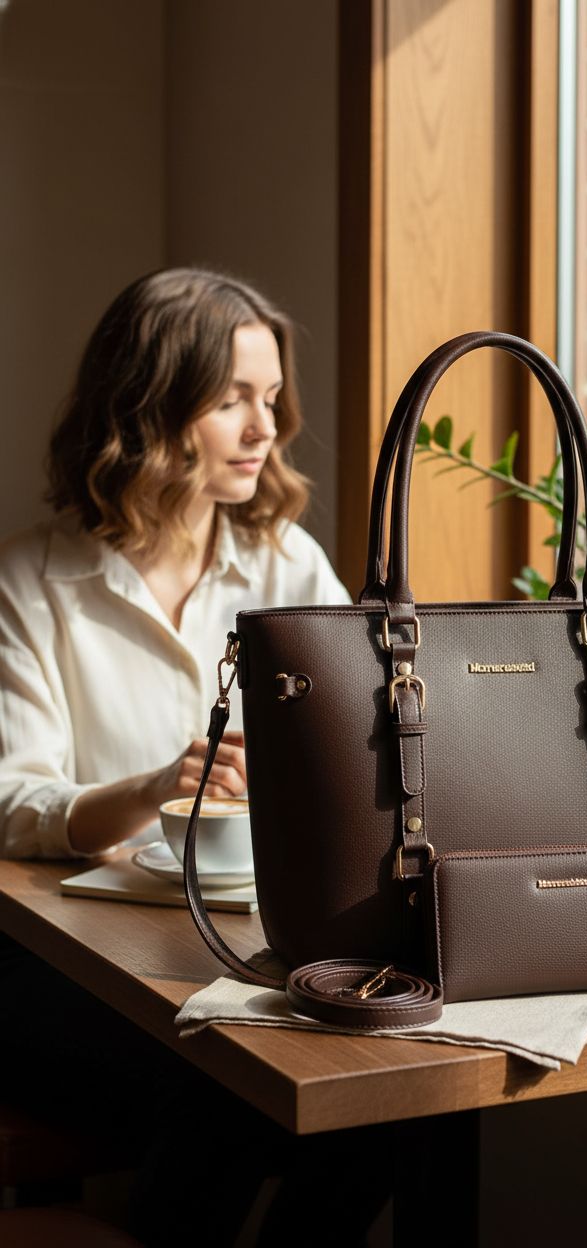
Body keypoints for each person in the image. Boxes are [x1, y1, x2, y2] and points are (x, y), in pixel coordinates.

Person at [0, 268, 390, 1245]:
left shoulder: (287, 566)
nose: (267, 429)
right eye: (231, 402)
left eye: (269, 399)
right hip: (70, 977)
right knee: (224, 1092)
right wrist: (151, 787)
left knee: (390, 1112)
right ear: (147, 409)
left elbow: (369, 734)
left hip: (251, 951)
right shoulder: (29, 582)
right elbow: (9, 802)